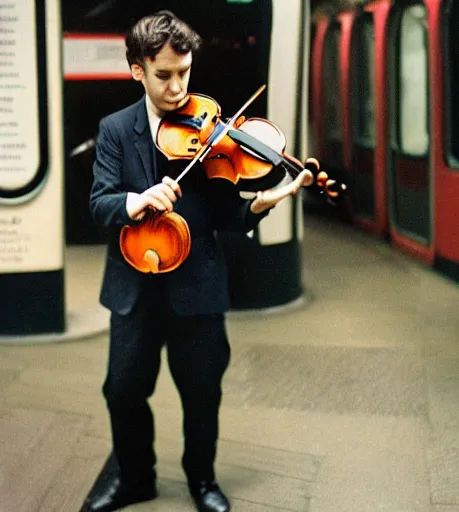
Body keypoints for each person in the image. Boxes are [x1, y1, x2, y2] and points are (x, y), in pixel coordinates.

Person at [86, 10, 313, 512]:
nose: (176, 87)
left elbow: (229, 213)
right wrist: (137, 199)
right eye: (163, 75)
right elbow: (100, 204)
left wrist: (269, 198)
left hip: (197, 287)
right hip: (134, 287)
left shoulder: (211, 132)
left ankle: (203, 481)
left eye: (184, 73)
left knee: (202, 392)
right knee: (121, 390)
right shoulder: (116, 130)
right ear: (136, 69)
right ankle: (134, 478)